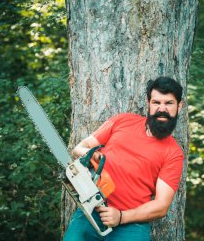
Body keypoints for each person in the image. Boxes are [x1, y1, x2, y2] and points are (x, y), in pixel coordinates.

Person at [63, 76, 185, 241]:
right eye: (156, 103)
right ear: (148, 104)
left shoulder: (173, 153)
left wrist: (121, 217)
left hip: (131, 224)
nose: (162, 109)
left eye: (169, 103)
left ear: (179, 106)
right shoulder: (123, 121)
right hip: (91, 210)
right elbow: (79, 148)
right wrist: (92, 154)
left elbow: (161, 206)